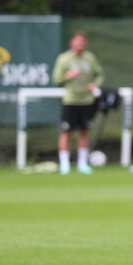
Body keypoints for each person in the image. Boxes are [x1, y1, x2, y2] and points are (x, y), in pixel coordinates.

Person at [51, 31, 104, 175]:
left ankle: (82, 164)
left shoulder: (90, 58)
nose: (80, 45)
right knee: (66, 131)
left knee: (84, 131)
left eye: (82, 42)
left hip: (87, 100)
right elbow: (56, 79)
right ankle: (64, 165)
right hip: (71, 100)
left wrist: (95, 85)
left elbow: (100, 74)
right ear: (72, 43)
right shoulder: (64, 59)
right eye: (77, 42)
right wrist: (68, 76)